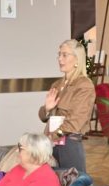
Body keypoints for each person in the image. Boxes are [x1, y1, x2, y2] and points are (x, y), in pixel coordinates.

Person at [38, 40, 95, 173]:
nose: (60, 59)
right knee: (52, 183)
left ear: (77, 59)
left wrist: (53, 136)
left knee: (72, 183)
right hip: (51, 144)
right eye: (59, 54)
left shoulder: (84, 85)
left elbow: (75, 123)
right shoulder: (56, 85)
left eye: (64, 55)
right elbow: (42, 116)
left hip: (69, 145)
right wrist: (47, 109)